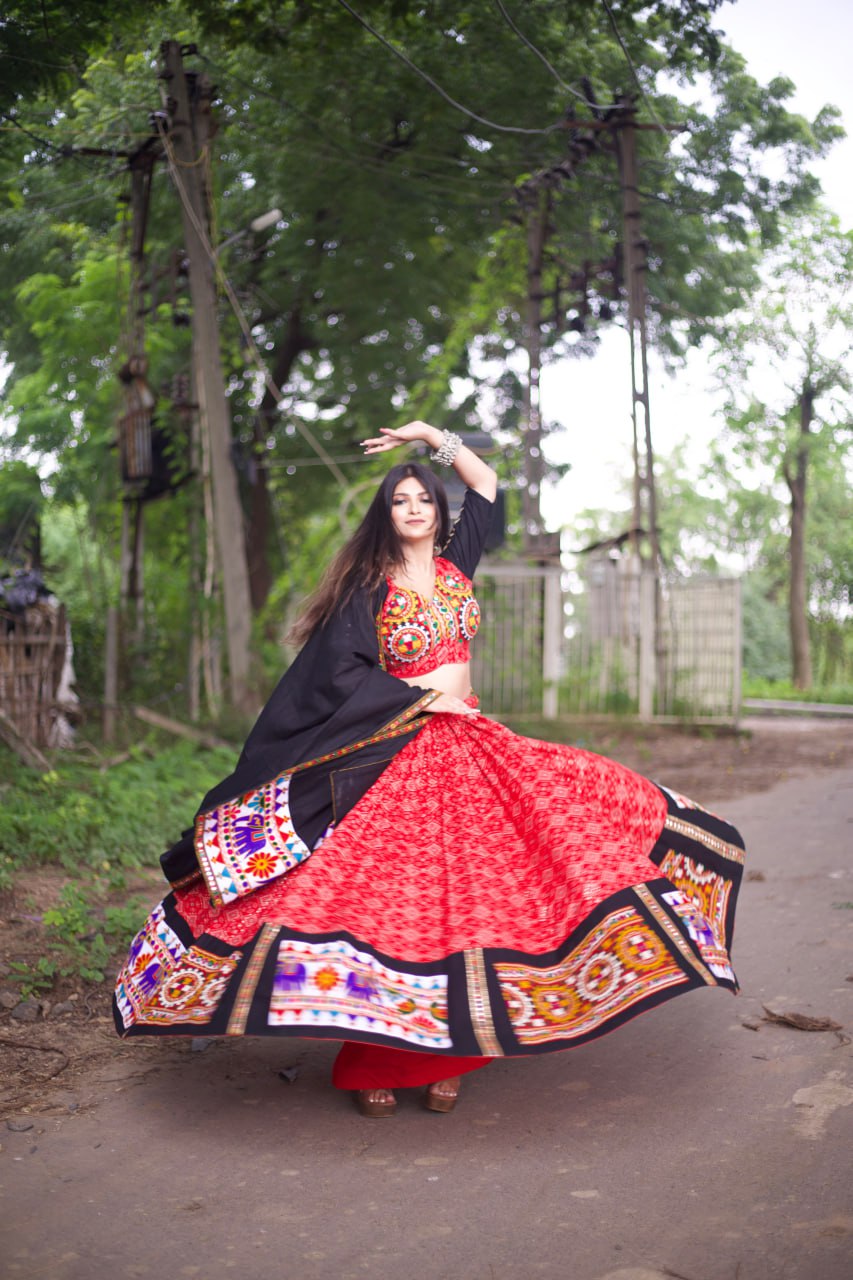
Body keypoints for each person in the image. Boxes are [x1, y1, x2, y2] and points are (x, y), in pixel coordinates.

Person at [114, 420, 745, 1119]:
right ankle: (373, 1060)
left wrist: (427, 436)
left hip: (473, 741)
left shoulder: (455, 566)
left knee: (488, 888)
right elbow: (337, 672)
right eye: (401, 501)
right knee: (396, 906)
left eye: (422, 499)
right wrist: (417, 696)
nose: (414, 508)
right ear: (385, 516)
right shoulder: (368, 587)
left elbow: (486, 482)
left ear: (437, 512)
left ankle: (454, 1058)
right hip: (406, 750)